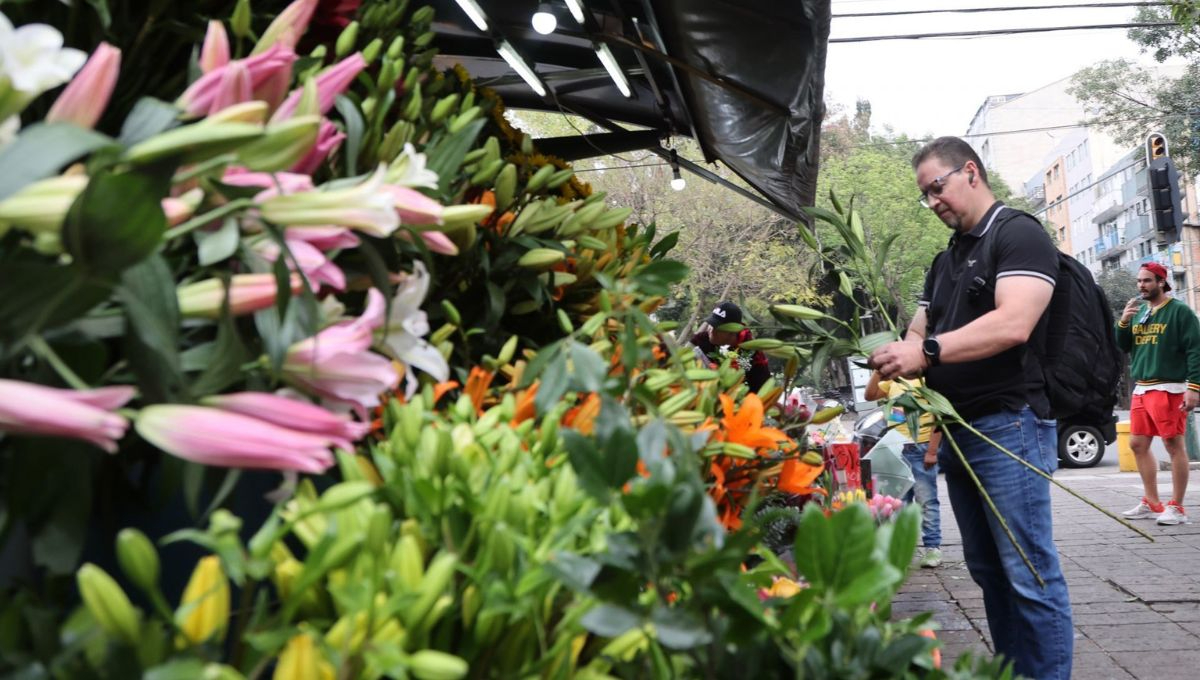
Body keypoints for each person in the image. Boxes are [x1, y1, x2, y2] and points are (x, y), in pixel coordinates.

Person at [868, 136, 1073, 680]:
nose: (933, 201)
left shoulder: (1019, 234)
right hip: (958, 431)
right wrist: (893, 352)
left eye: (937, 187)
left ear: (971, 172)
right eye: (925, 195)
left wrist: (927, 351)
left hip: (1009, 425)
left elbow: (1013, 324)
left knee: (1029, 572)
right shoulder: (946, 259)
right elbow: (921, 327)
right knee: (988, 571)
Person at [1116, 261, 1200, 525]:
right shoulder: (1141, 311)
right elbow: (1124, 346)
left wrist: (1194, 387)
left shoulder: (1180, 312)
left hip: (1169, 387)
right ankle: (1152, 502)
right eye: (1139, 281)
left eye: (1147, 281)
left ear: (1161, 282)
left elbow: (1195, 350)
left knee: (1173, 445)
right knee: (1137, 444)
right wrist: (1123, 322)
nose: (1142, 285)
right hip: (1142, 387)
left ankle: (1177, 507)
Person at [865, 371, 942, 568]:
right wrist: (878, 372)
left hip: (921, 446)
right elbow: (869, 395)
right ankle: (902, 549)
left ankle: (932, 548)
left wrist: (932, 450)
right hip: (895, 446)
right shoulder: (892, 381)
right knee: (898, 503)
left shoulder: (926, 379)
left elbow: (939, 416)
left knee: (926, 500)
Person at [689, 301, 770, 392]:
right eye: (711, 324)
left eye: (718, 328)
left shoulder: (752, 355)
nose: (711, 331)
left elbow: (763, 389)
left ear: (733, 331)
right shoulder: (702, 339)